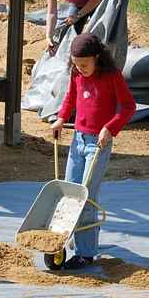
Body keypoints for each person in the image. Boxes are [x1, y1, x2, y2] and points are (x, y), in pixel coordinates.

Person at [51, 33, 136, 270]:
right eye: (77, 65)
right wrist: (60, 119)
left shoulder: (111, 76)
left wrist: (110, 128)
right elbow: (70, 98)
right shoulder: (76, 74)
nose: (81, 69)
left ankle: (86, 252)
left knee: (86, 196)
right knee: (69, 192)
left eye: (85, 64)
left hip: (98, 144)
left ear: (97, 57)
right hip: (77, 141)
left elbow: (129, 106)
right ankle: (60, 241)